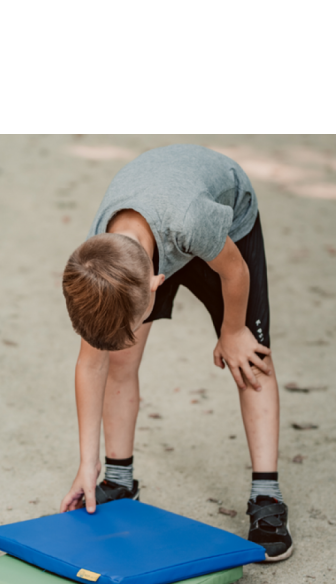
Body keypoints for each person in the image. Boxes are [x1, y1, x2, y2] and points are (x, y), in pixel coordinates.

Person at [59, 143, 292, 562]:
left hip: (224, 224)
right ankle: (118, 479)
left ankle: (267, 496)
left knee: (251, 359)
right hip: (157, 221)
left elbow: (234, 270)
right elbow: (91, 363)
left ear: (156, 285)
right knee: (120, 362)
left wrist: (233, 330)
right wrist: (85, 462)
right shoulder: (99, 267)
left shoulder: (194, 222)